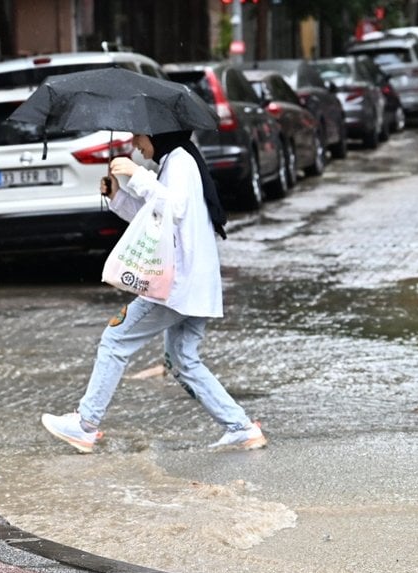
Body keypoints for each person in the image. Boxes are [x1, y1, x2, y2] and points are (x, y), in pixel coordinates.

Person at [41, 130, 267, 452]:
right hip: (194, 284)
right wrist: (118, 196)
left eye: (139, 136)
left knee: (115, 339)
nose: (135, 143)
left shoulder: (180, 162)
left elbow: (173, 206)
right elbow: (157, 217)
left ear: (158, 132)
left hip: (178, 285)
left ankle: (85, 424)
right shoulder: (175, 161)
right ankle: (241, 428)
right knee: (182, 360)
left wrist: (137, 174)